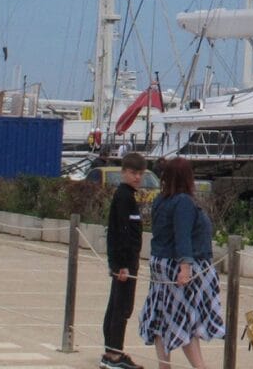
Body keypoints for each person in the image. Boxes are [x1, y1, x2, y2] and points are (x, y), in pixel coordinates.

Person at [137, 158, 224, 369]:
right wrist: (185, 268)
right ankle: (200, 367)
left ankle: (164, 365)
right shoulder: (183, 201)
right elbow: (182, 236)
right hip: (179, 266)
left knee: (161, 317)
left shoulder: (161, 200)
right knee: (185, 321)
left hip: (161, 263)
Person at [101, 152, 147, 369]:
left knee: (116, 307)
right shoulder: (124, 197)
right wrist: (121, 265)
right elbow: (121, 233)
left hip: (126, 263)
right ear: (124, 173)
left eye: (140, 173)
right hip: (125, 265)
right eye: (133, 173)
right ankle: (114, 355)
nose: (137, 177)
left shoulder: (128, 196)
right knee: (121, 308)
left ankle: (111, 351)